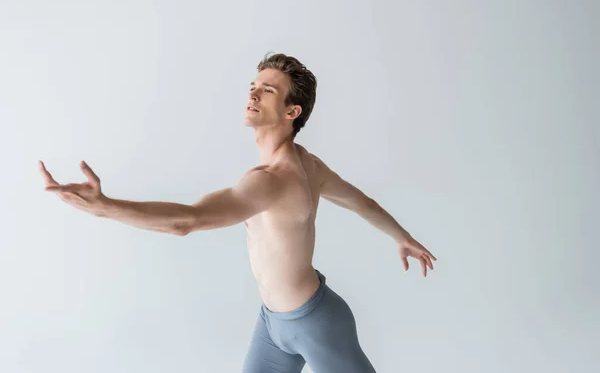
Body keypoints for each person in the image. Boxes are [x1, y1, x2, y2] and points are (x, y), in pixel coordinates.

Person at [39, 53, 437, 372]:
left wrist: (107, 209)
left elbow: (187, 221)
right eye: (253, 86)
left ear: (291, 112)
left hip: (316, 326)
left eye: (267, 90)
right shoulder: (306, 163)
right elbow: (360, 202)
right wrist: (401, 236)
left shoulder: (273, 180)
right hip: (272, 325)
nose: (253, 94)